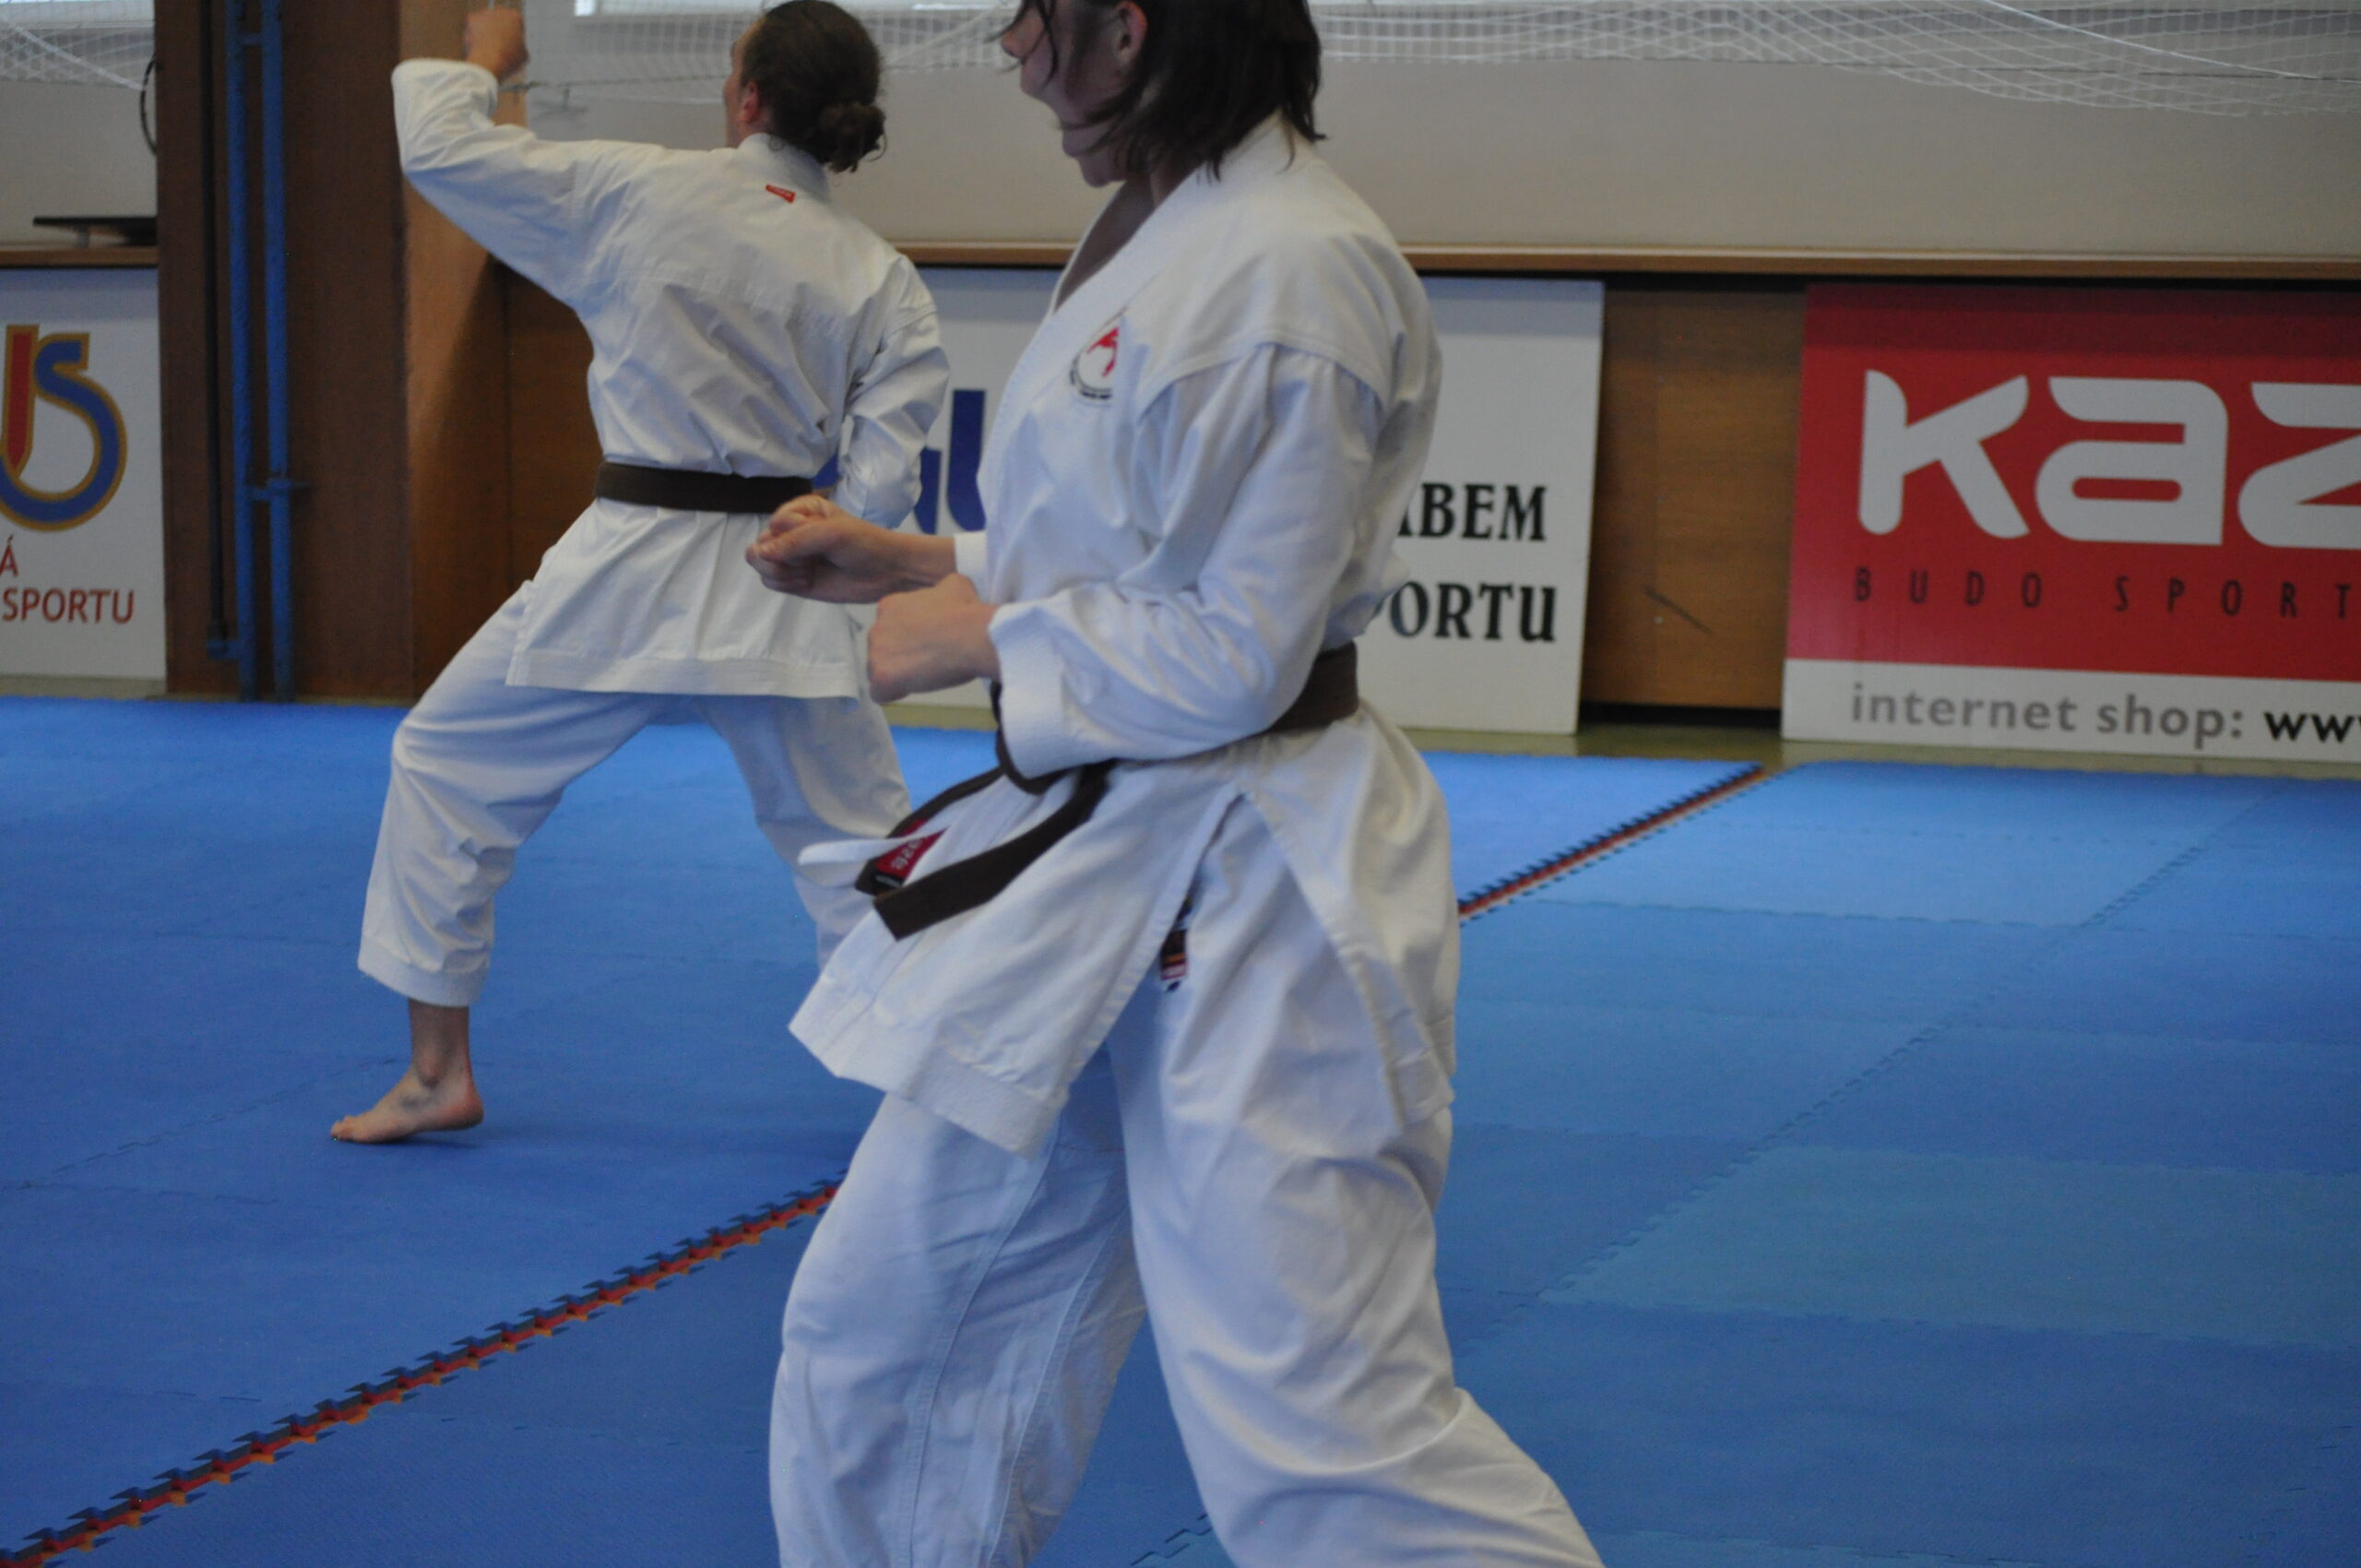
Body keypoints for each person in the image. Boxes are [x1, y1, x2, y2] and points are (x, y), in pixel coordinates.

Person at [744, 0, 1605, 1562]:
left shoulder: (1290, 271)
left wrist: (979, 636)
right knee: (885, 1335)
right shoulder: (1172, 223)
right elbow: (1142, 541)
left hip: (1260, 879)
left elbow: (1240, 652)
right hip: (1097, 863)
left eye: (1033, 17)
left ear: (1128, 30)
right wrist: (928, 559)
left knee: (1318, 1431)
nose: (1014, 50)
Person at [334, 2, 944, 1144]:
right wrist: (838, 536)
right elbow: (884, 485)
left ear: (748, 98)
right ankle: (931, 1103)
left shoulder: (639, 190)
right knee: (862, 845)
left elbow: (441, 149)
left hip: (623, 570)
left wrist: (485, 63)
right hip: (789, 576)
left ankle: (435, 1071)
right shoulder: (882, 276)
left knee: (445, 762)